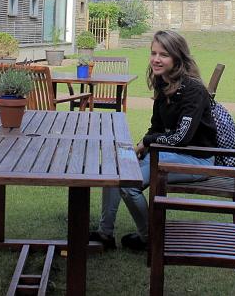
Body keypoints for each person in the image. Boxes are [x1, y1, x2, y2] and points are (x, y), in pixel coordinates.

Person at [89, 30, 217, 251]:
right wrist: (144, 144)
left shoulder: (193, 91)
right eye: (153, 53)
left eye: (164, 54)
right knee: (115, 167)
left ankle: (150, 239)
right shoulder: (162, 82)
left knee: (129, 185)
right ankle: (105, 233)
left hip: (197, 160)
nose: (156, 59)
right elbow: (157, 127)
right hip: (167, 152)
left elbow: (181, 137)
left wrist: (147, 143)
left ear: (177, 58)